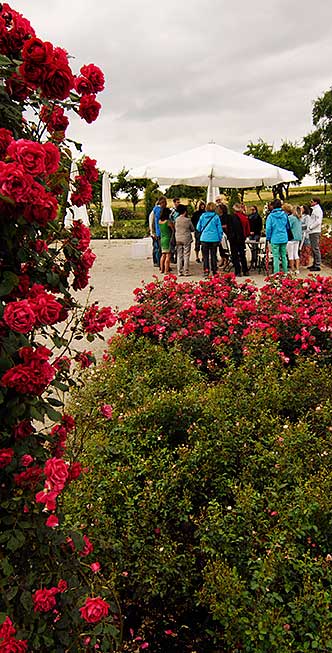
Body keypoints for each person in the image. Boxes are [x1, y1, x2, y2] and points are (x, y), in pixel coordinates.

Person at [197, 201, 223, 278]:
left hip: (204, 238)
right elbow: (219, 229)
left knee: (205, 256)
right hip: (214, 239)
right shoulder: (216, 217)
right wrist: (220, 238)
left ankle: (206, 270)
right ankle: (214, 271)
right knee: (213, 255)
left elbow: (198, 228)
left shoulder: (202, 216)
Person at [265, 199, 289, 273]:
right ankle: (285, 272)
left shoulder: (271, 216)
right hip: (284, 237)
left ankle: (276, 273)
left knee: (276, 257)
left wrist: (268, 238)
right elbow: (287, 226)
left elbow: (268, 228)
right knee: (284, 256)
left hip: (274, 238)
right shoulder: (285, 215)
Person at [227, 203, 250, 276]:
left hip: (233, 239)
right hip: (241, 238)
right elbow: (248, 230)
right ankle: (245, 270)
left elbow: (229, 228)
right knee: (242, 254)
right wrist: (245, 235)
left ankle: (238, 271)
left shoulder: (231, 217)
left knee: (235, 255)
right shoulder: (244, 217)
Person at [175, 204, 194, 276]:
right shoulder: (187, 220)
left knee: (179, 255)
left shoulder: (176, 219)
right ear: (185, 211)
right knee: (186, 255)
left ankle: (179, 271)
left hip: (178, 238)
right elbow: (192, 229)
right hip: (186, 238)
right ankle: (186, 271)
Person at [285, 204, 302, 274]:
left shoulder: (291, 218)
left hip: (291, 238)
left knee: (290, 254)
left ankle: (292, 269)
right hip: (298, 238)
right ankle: (297, 269)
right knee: (296, 254)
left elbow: (288, 227)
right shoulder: (299, 218)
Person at [307, 197, 323, 271]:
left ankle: (317, 264)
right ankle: (314, 263)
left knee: (315, 248)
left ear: (316, 202)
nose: (310, 202)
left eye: (312, 201)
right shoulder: (314, 209)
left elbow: (318, 221)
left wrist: (311, 227)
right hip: (312, 231)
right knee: (313, 248)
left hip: (315, 231)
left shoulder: (317, 210)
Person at [158, 205, 174, 274]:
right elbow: (173, 230)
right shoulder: (168, 222)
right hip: (168, 239)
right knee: (168, 255)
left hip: (162, 239)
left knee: (163, 255)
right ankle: (166, 270)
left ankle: (161, 269)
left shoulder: (159, 221)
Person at [169, 197, 180, 264]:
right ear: (174, 203)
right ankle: (172, 257)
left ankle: (177, 257)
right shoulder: (172, 210)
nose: (178, 203)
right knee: (173, 243)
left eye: (179, 202)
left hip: (179, 229)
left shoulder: (180, 210)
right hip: (173, 228)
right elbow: (170, 219)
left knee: (178, 243)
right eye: (177, 202)